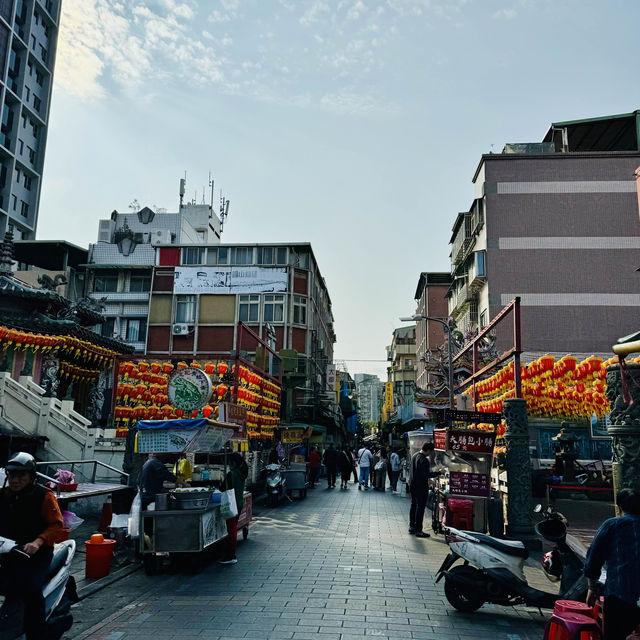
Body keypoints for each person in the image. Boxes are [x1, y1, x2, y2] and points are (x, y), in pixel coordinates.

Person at [0, 452, 66, 640]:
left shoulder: (44, 496)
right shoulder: (3, 496)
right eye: (12, 475)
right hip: (7, 552)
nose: (15, 480)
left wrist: (37, 542)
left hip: (35, 556)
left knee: (31, 589)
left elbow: (57, 525)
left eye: (21, 475)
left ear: (31, 477)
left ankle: (36, 635)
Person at [584, 488, 640, 640]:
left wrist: (592, 587)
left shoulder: (613, 525)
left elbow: (594, 556)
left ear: (620, 507)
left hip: (619, 593)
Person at [219, 453, 248, 565]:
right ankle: (230, 554)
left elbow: (223, 488)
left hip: (231, 504)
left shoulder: (232, 474)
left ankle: (231, 556)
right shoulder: (242, 473)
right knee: (233, 528)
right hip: (239, 503)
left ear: (234, 463)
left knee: (231, 530)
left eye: (230, 462)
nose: (229, 464)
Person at [409, 441, 442, 538]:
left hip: (413, 485)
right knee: (420, 507)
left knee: (414, 505)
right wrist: (438, 473)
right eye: (431, 452)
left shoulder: (415, 455)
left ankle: (412, 526)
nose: (430, 454)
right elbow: (425, 475)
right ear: (427, 450)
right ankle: (419, 530)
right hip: (421, 487)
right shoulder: (424, 460)